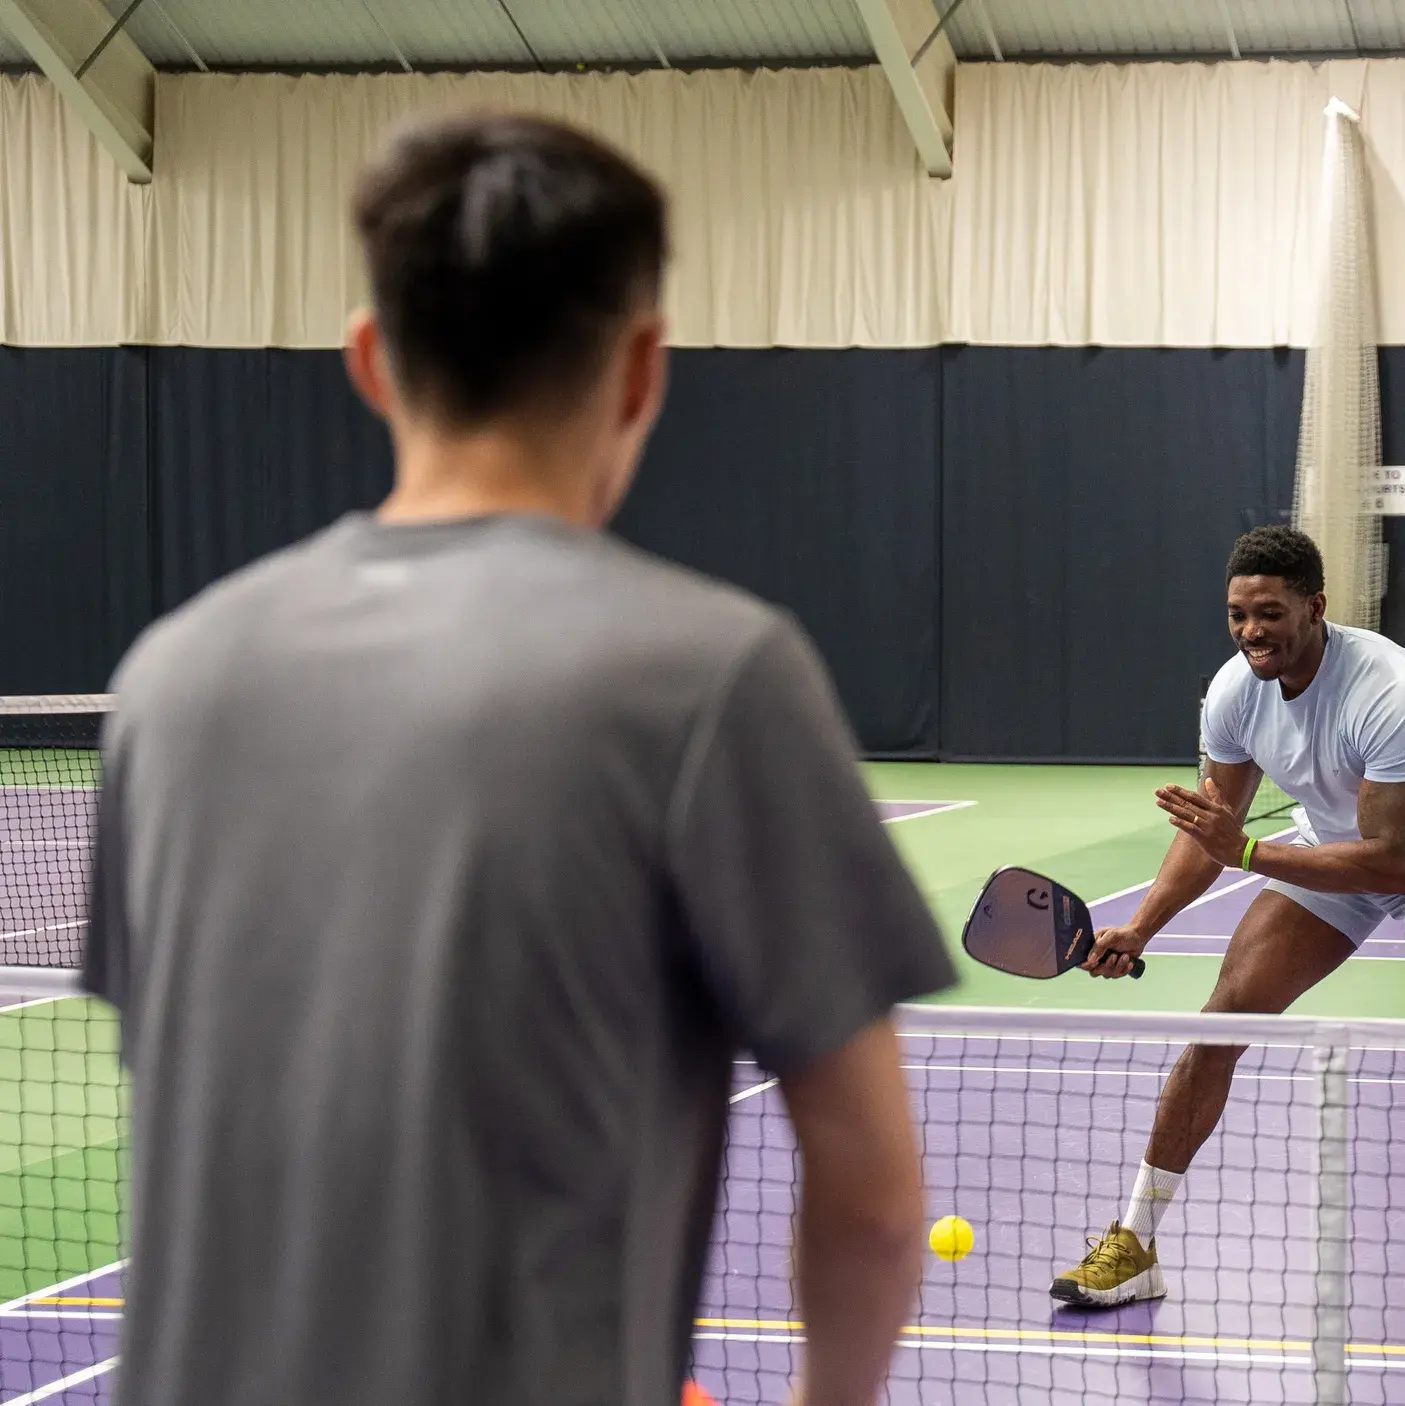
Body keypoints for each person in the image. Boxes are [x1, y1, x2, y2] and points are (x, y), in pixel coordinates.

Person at [80, 112, 953, 1406]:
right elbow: (877, 1204)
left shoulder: (165, 677)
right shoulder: (714, 673)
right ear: (643, 368)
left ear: (370, 361)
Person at [1050, 525, 1405, 1324]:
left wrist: (1246, 850)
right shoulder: (1232, 694)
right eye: (1237, 614)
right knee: (1216, 1030)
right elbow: (1209, 831)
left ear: (1315, 607)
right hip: (1329, 861)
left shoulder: (1395, 690)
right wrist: (1140, 927)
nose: (1252, 631)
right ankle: (1136, 1244)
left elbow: (1391, 862)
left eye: (1270, 614)